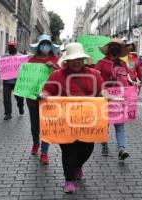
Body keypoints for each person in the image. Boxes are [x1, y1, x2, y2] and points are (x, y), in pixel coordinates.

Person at [41, 42, 104, 193]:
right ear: (66, 60)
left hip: (88, 123)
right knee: (69, 152)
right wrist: (44, 95)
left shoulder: (94, 74)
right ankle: (69, 180)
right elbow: (47, 89)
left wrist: (106, 96)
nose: (76, 62)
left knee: (87, 149)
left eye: (79, 59)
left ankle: (78, 166)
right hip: (65, 123)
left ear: (83, 59)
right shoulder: (57, 75)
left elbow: (102, 91)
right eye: (73, 59)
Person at [27, 34, 60, 165]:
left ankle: (44, 153)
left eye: (47, 44)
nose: (44, 46)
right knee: (35, 125)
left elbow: (61, 73)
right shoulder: (31, 60)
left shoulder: (54, 59)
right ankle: (36, 143)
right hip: (33, 98)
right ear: (39, 46)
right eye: (42, 44)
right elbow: (26, 76)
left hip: (48, 98)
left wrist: (54, 67)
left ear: (50, 46)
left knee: (46, 125)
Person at [95, 38, 130, 160]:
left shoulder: (123, 64)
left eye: (118, 47)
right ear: (108, 49)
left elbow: (126, 81)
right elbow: (95, 79)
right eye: (113, 47)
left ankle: (122, 149)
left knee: (120, 125)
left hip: (119, 99)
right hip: (105, 99)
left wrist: (130, 91)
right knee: (105, 124)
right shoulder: (100, 63)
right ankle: (104, 144)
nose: (115, 49)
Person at [0, 41, 25, 120]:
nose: (12, 48)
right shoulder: (4, 57)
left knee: (19, 98)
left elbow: (26, 68)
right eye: (10, 46)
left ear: (16, 47)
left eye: (13, 46)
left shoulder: (21, 57)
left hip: (18, 82)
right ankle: (8, 113)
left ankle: (20, 107)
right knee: (6, 98)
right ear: (8, 47)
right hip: (7, 82)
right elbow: (0, 69)